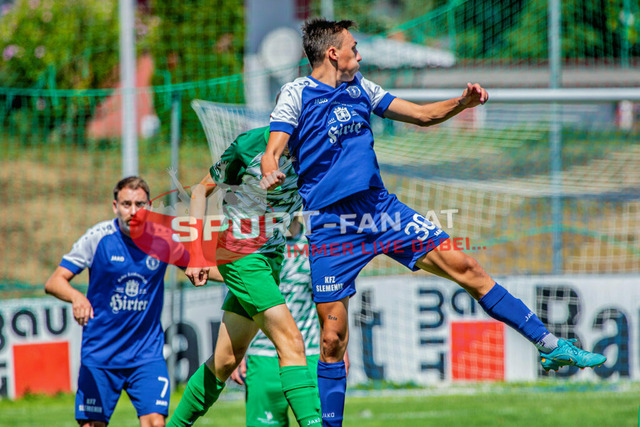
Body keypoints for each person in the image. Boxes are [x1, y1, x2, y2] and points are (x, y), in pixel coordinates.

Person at [260, 18, 607, 427]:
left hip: (380, 210)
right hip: (331, 226)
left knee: (468, 267)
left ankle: (549, 344)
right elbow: (273, 149)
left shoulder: (361, 88)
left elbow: (422, 115)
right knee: (332, 339)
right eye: (354, 46)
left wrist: (461, 103)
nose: (360, 53)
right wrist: (270, 168)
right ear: (333, 53)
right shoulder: (296, 92)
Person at [167, 126, 322, 426]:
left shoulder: (313, 147)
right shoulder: (247, 146)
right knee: (291, 342)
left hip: (270, 258)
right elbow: (200, 190)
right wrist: (196, 254)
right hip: (241, 255)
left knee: (225, 361)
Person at [45, 176, 172, 427]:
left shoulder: (164, 239)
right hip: (101, 354)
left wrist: (239, 273)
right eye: (126, 204)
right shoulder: (98, 237)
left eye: (140, 204)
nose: (133, 211)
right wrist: (77, 297)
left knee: (156, 422)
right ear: (115, 207)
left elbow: (200, 267)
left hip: (145, 354)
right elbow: (54, 281)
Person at [228, 216, 348, 427]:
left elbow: (331, 303)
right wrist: (235, 350)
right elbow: (239, 299)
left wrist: (340, 349)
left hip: (311, 354)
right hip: (263, 355)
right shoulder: (252, 244)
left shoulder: (315, 242)